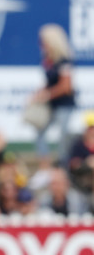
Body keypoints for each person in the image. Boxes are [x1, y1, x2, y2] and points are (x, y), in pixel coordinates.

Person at [31, 23, 76, 167]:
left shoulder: (64, 61)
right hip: (52, 105)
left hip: (64, 105)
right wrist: (40, 92)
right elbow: (50, 82)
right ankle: (45, 163)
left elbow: (66, 87)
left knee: (63, 135)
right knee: (39, 131)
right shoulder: (48, 60)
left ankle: (63, 165)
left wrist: (47, 94)